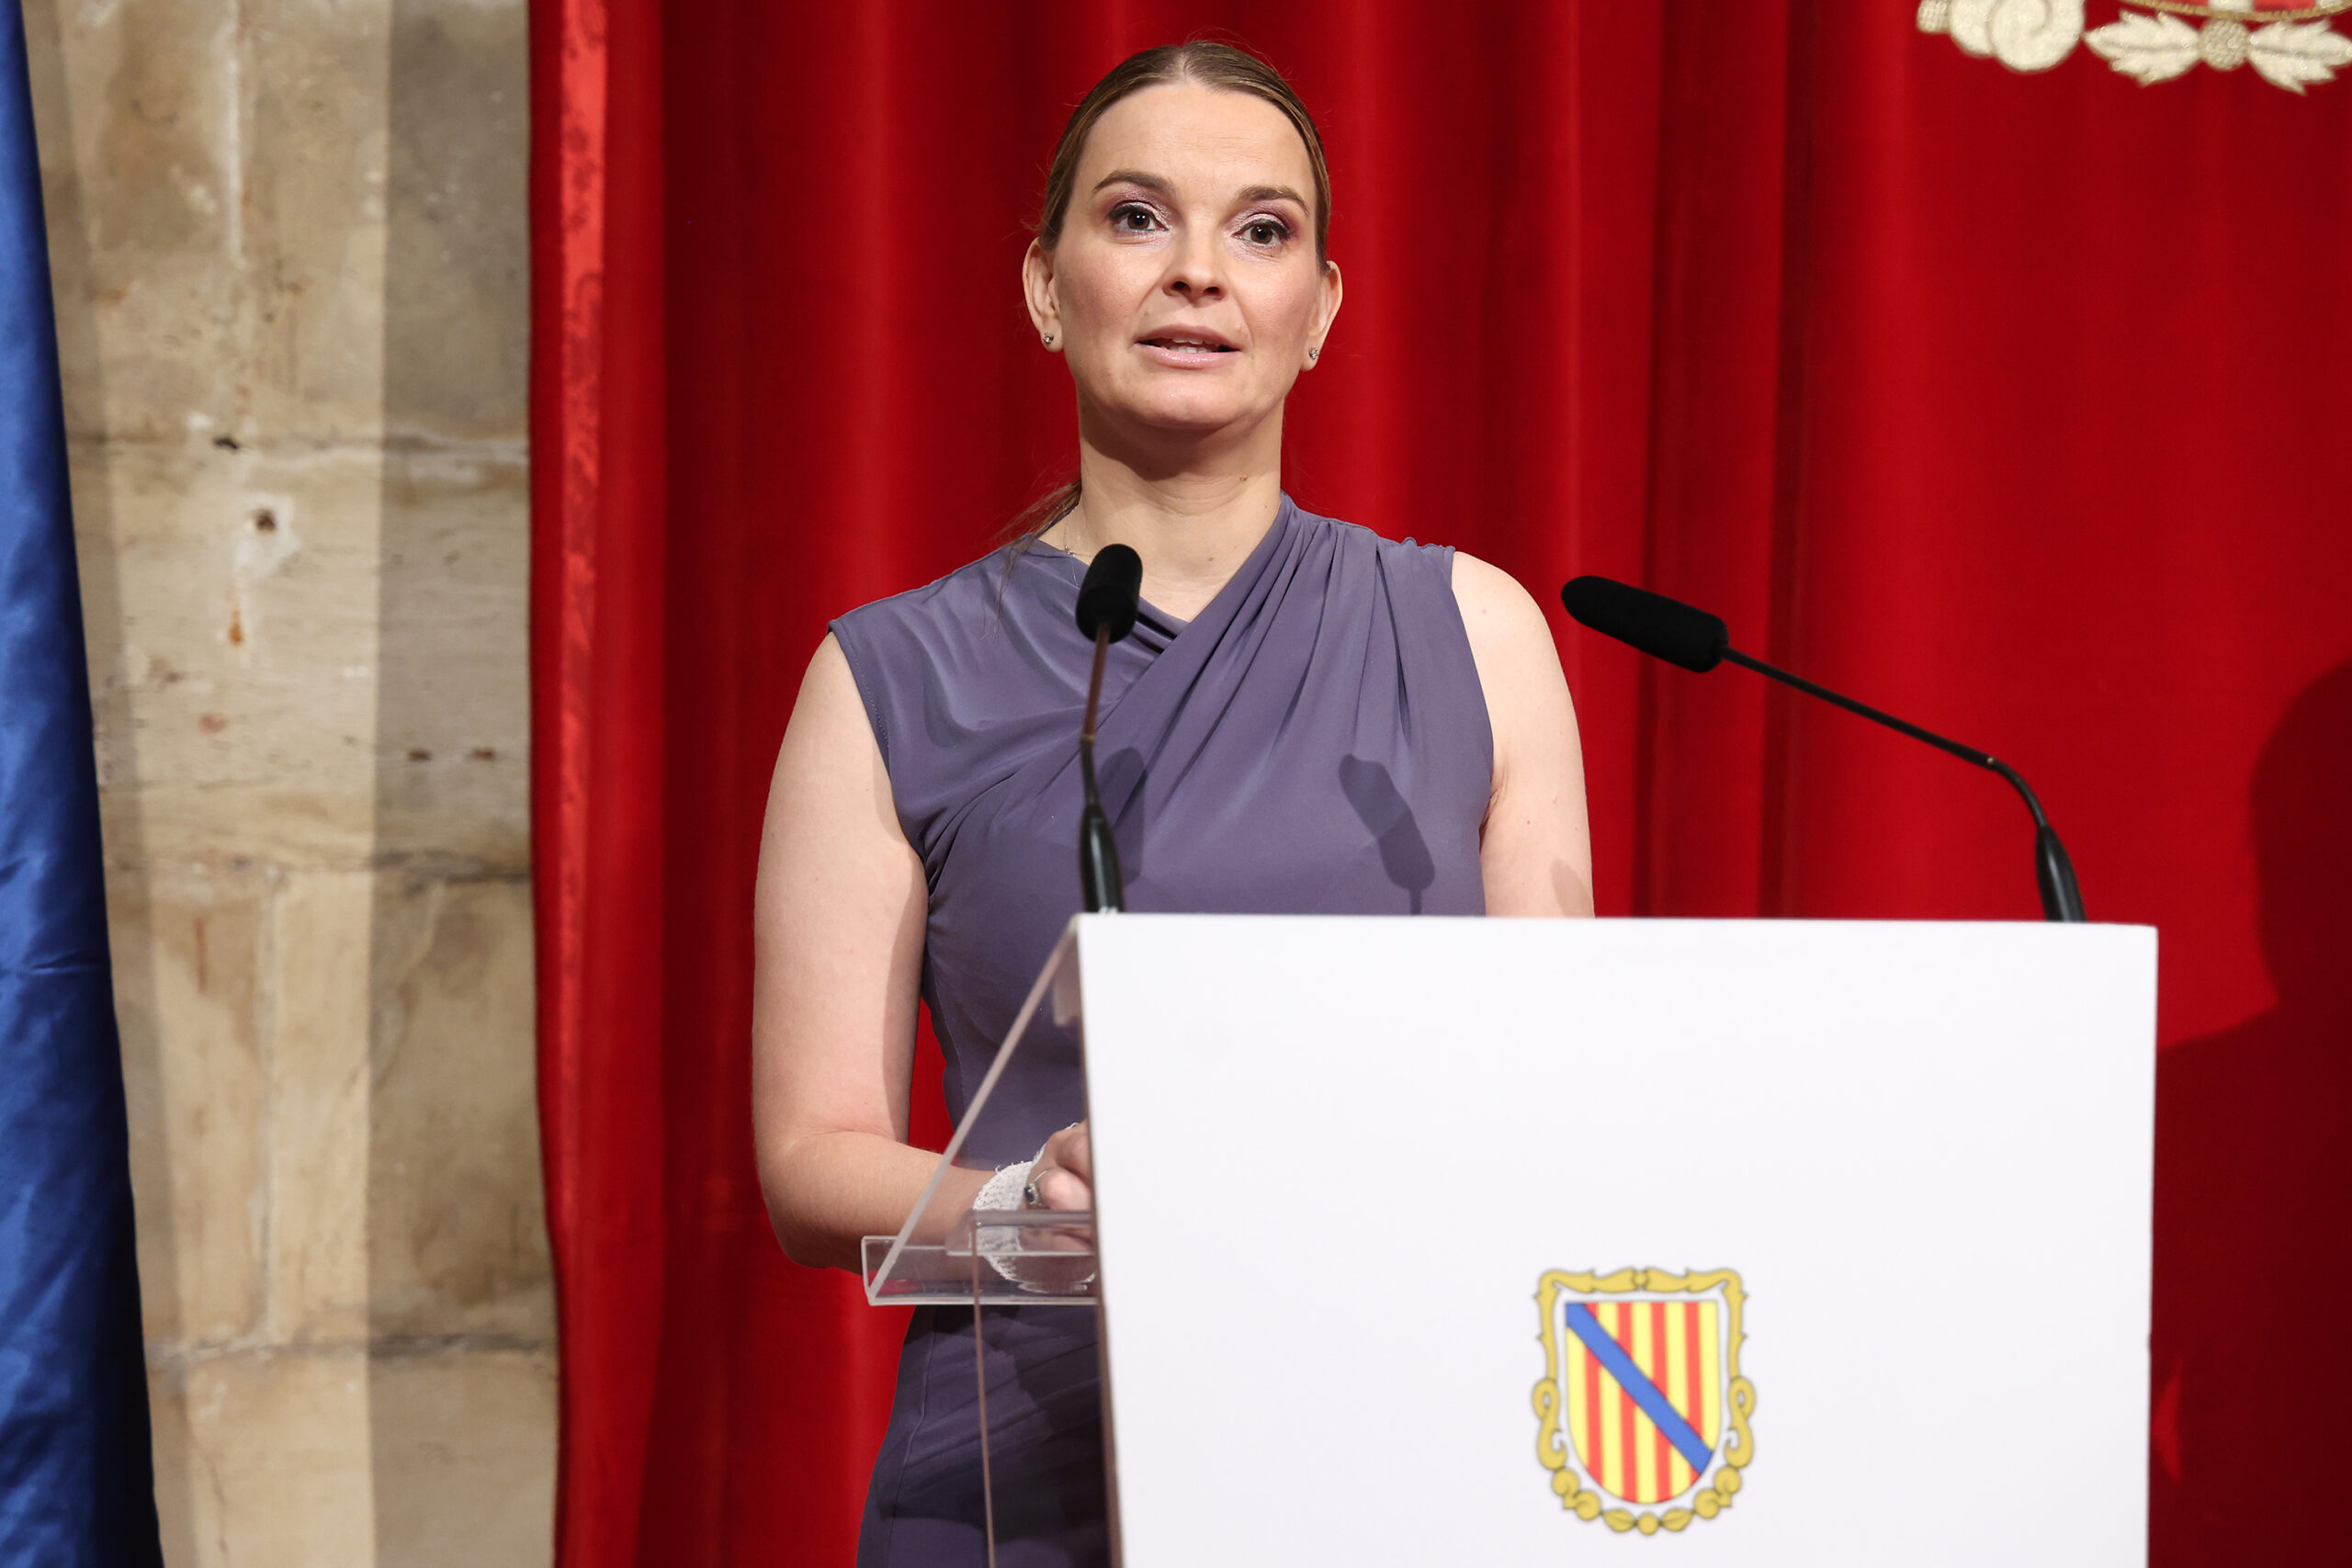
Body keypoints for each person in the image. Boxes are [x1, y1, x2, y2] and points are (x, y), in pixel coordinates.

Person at [752, 40, 1592, 1568]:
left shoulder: (1476, 633)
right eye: (1137, 217)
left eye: (1262, 230)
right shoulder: (885, 676)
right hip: (1027, 1471)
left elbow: (1562, 1089)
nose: (1198, 270)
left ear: (1320, 308)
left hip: (1398, 1445)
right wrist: (1025, 1206)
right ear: (1044, 285)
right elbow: (813, 1160)